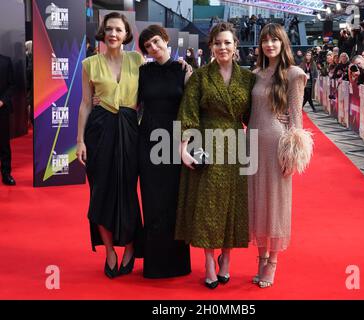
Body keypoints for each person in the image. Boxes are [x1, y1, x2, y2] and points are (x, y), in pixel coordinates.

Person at [175, 22, 255, 289]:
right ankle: (209, 262)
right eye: (218, 43)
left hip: (235, 148)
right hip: (206, 146)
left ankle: (227, 260)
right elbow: (188, 112)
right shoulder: (200, 77)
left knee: (232, 205)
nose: (223, 47)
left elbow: (254, 115)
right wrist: (183, 148)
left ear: (235, 47)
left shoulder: (247, 78)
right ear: (211, 46)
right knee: (207, 206)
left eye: (227, 43)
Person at [76, 12, 144, 279]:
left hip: (129, 129)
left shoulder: (137, 60)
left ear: (126, 34)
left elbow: (155, 85)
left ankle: (129, 246)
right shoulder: (89, 63)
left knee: (127, 190)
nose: (113, 34)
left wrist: (184, 69)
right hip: (99, 130)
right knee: (100, 192)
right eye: (109, 29)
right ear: (102, 33)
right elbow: (84, 103)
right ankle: (109, 251)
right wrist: (80, 140)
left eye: (118, 29)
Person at [247, 23, 307, 288]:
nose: (269, 44)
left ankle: (272, 261)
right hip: (252, 145)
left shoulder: (294, 74)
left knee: (276, 204)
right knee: (256, 202)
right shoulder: (256, 73)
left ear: (283, 43)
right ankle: (260, 257)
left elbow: (296, 119)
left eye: (274, 40)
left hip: (276, 146)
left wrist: (291, 157)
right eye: (265, 40)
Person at [137, 25, 192, 279]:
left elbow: (192, 109)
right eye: (148, 46)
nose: (154, 48)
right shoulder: (143, 72)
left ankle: (177, 264)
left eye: (157, 42)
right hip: (148, 142)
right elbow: (131, 101)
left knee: (174, 201)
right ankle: (155, 264)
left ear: (166, 40)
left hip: (175, 143)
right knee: (152, 201)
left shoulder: (183, 70)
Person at [0, 54, 16, 186]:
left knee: (4, 143)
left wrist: (2, 101)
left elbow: (12, 85)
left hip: (2, 109)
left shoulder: (6, 61)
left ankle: (6, 173)